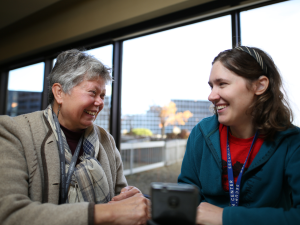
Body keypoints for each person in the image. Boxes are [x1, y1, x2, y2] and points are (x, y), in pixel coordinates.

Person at [0, 49, 149, 225]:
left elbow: (120, 196)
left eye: (102, 95)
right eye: (93, 93)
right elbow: (9, 215)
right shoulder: (14, 132)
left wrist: (131, 199)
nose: (100, 102)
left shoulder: (105, 140)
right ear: (59, 93)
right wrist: (105, 213)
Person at [178, 46, 300, 225]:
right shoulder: (200, 134)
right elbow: (185, 199)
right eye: (211, 86)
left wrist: (225, 218)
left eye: (222, 84)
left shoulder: (292, 142)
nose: (211, 96)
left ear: (259, 86)